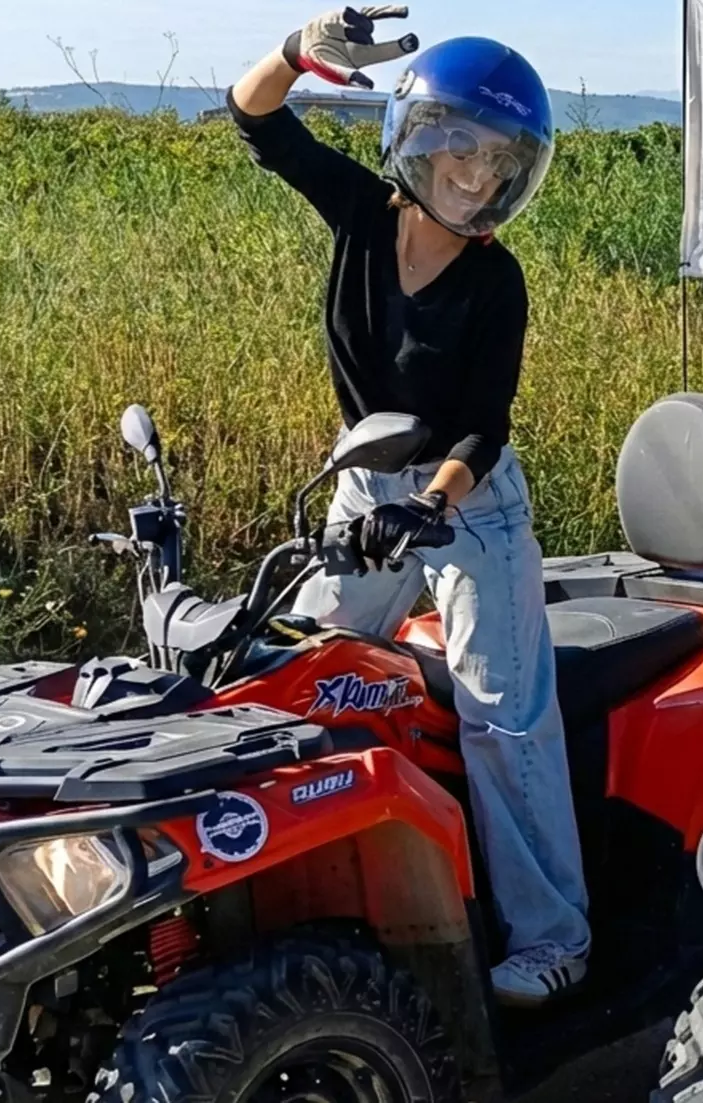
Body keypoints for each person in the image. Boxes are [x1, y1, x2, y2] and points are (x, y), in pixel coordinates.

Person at [227, 7, 590, 1005]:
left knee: (501, 716)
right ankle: (319, 887)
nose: (477, 181)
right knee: (308, 675)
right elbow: (254, 118)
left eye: (498, 164)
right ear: (419, 137)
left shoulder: (494, 280)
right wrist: (299, 54)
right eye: (462, 153)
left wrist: (429, 506)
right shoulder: (356, 212)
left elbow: (482, 425)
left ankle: (554, 935)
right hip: (364, 479)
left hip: (465, 504)